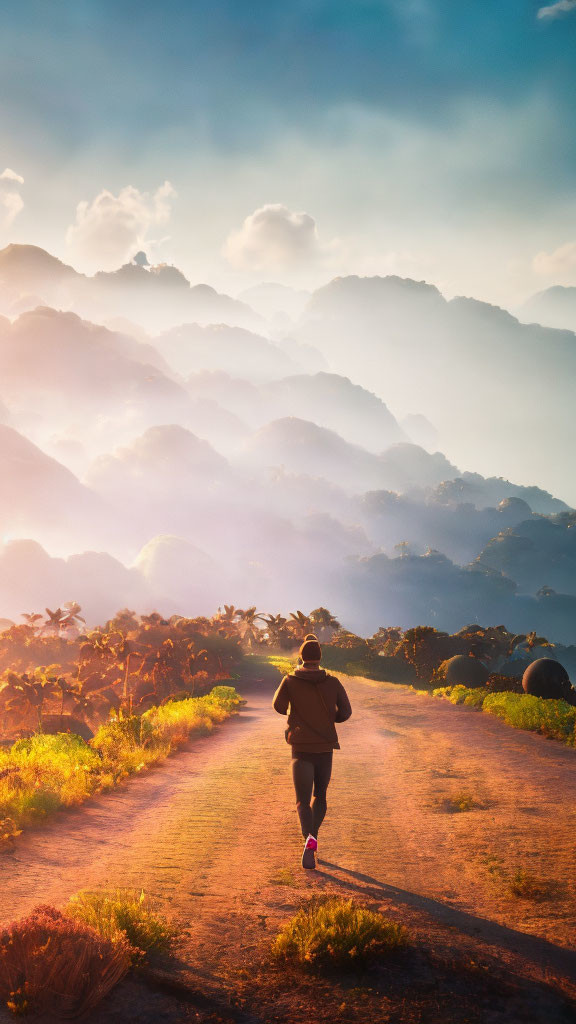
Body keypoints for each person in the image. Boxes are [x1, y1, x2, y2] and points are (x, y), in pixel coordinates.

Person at [273, 636, 352, 869]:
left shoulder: (289, 680)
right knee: (321, 796)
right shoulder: (333, 682)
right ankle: (313, 837)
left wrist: (295, 712)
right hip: (325, 747)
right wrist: (329, 719)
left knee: (302, 801)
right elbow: (346, 712)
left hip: (300, 748)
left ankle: (308, 838)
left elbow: (278, 706)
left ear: (301, 656)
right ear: (320, 657)